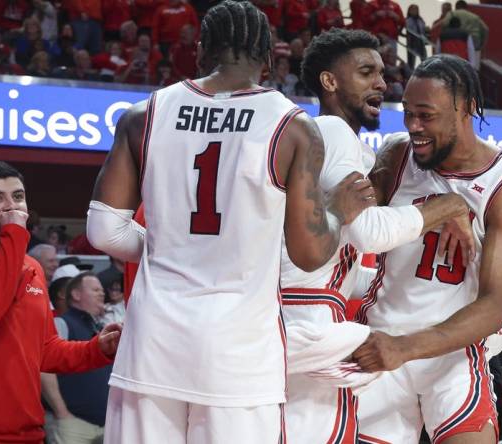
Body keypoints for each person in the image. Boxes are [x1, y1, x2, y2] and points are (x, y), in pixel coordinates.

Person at [86, 2, 374, 442]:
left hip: (151, 346)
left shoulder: (144, 115)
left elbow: (104, 231)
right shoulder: (292, 125)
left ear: (201, 50)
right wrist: (340, 211)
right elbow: (310, 253)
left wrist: (175, 246)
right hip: (239, 353)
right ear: (266, 58)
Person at [284, 29, 475, 444]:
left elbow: (344, 256)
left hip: (303, 314)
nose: (381, 83)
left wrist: (394, 278)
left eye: (382, 73)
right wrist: (449, 205)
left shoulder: (327, 140)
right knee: (394, 350)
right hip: (305, 317)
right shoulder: (332, 132)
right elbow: (368, 232)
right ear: (329, 82)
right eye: (366, 72)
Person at [352, 54, 502, 444]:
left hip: (452, 350)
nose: (413, 127)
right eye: (407, 113)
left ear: (466, 108)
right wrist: (437, 209)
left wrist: (406, 348)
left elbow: (493, 307)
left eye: (426, 115)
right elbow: (354, 228)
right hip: (382, 337)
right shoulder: (397, 153)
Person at [0, 159, 121, 442]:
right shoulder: (20, 256)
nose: (11, 207)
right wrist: (16, 236)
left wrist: (98, 349)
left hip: (29, 433)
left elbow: (46, 351)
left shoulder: (30, 266)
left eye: (18, 197)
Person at [50, 272, 113, 444]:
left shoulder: (101, 327)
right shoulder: (61, 323)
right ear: (76, 295)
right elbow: (45, 372)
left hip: (106, 424)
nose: (102, 293)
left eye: (101, 290)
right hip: (73, 424)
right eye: (95, 290)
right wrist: (61, 412)